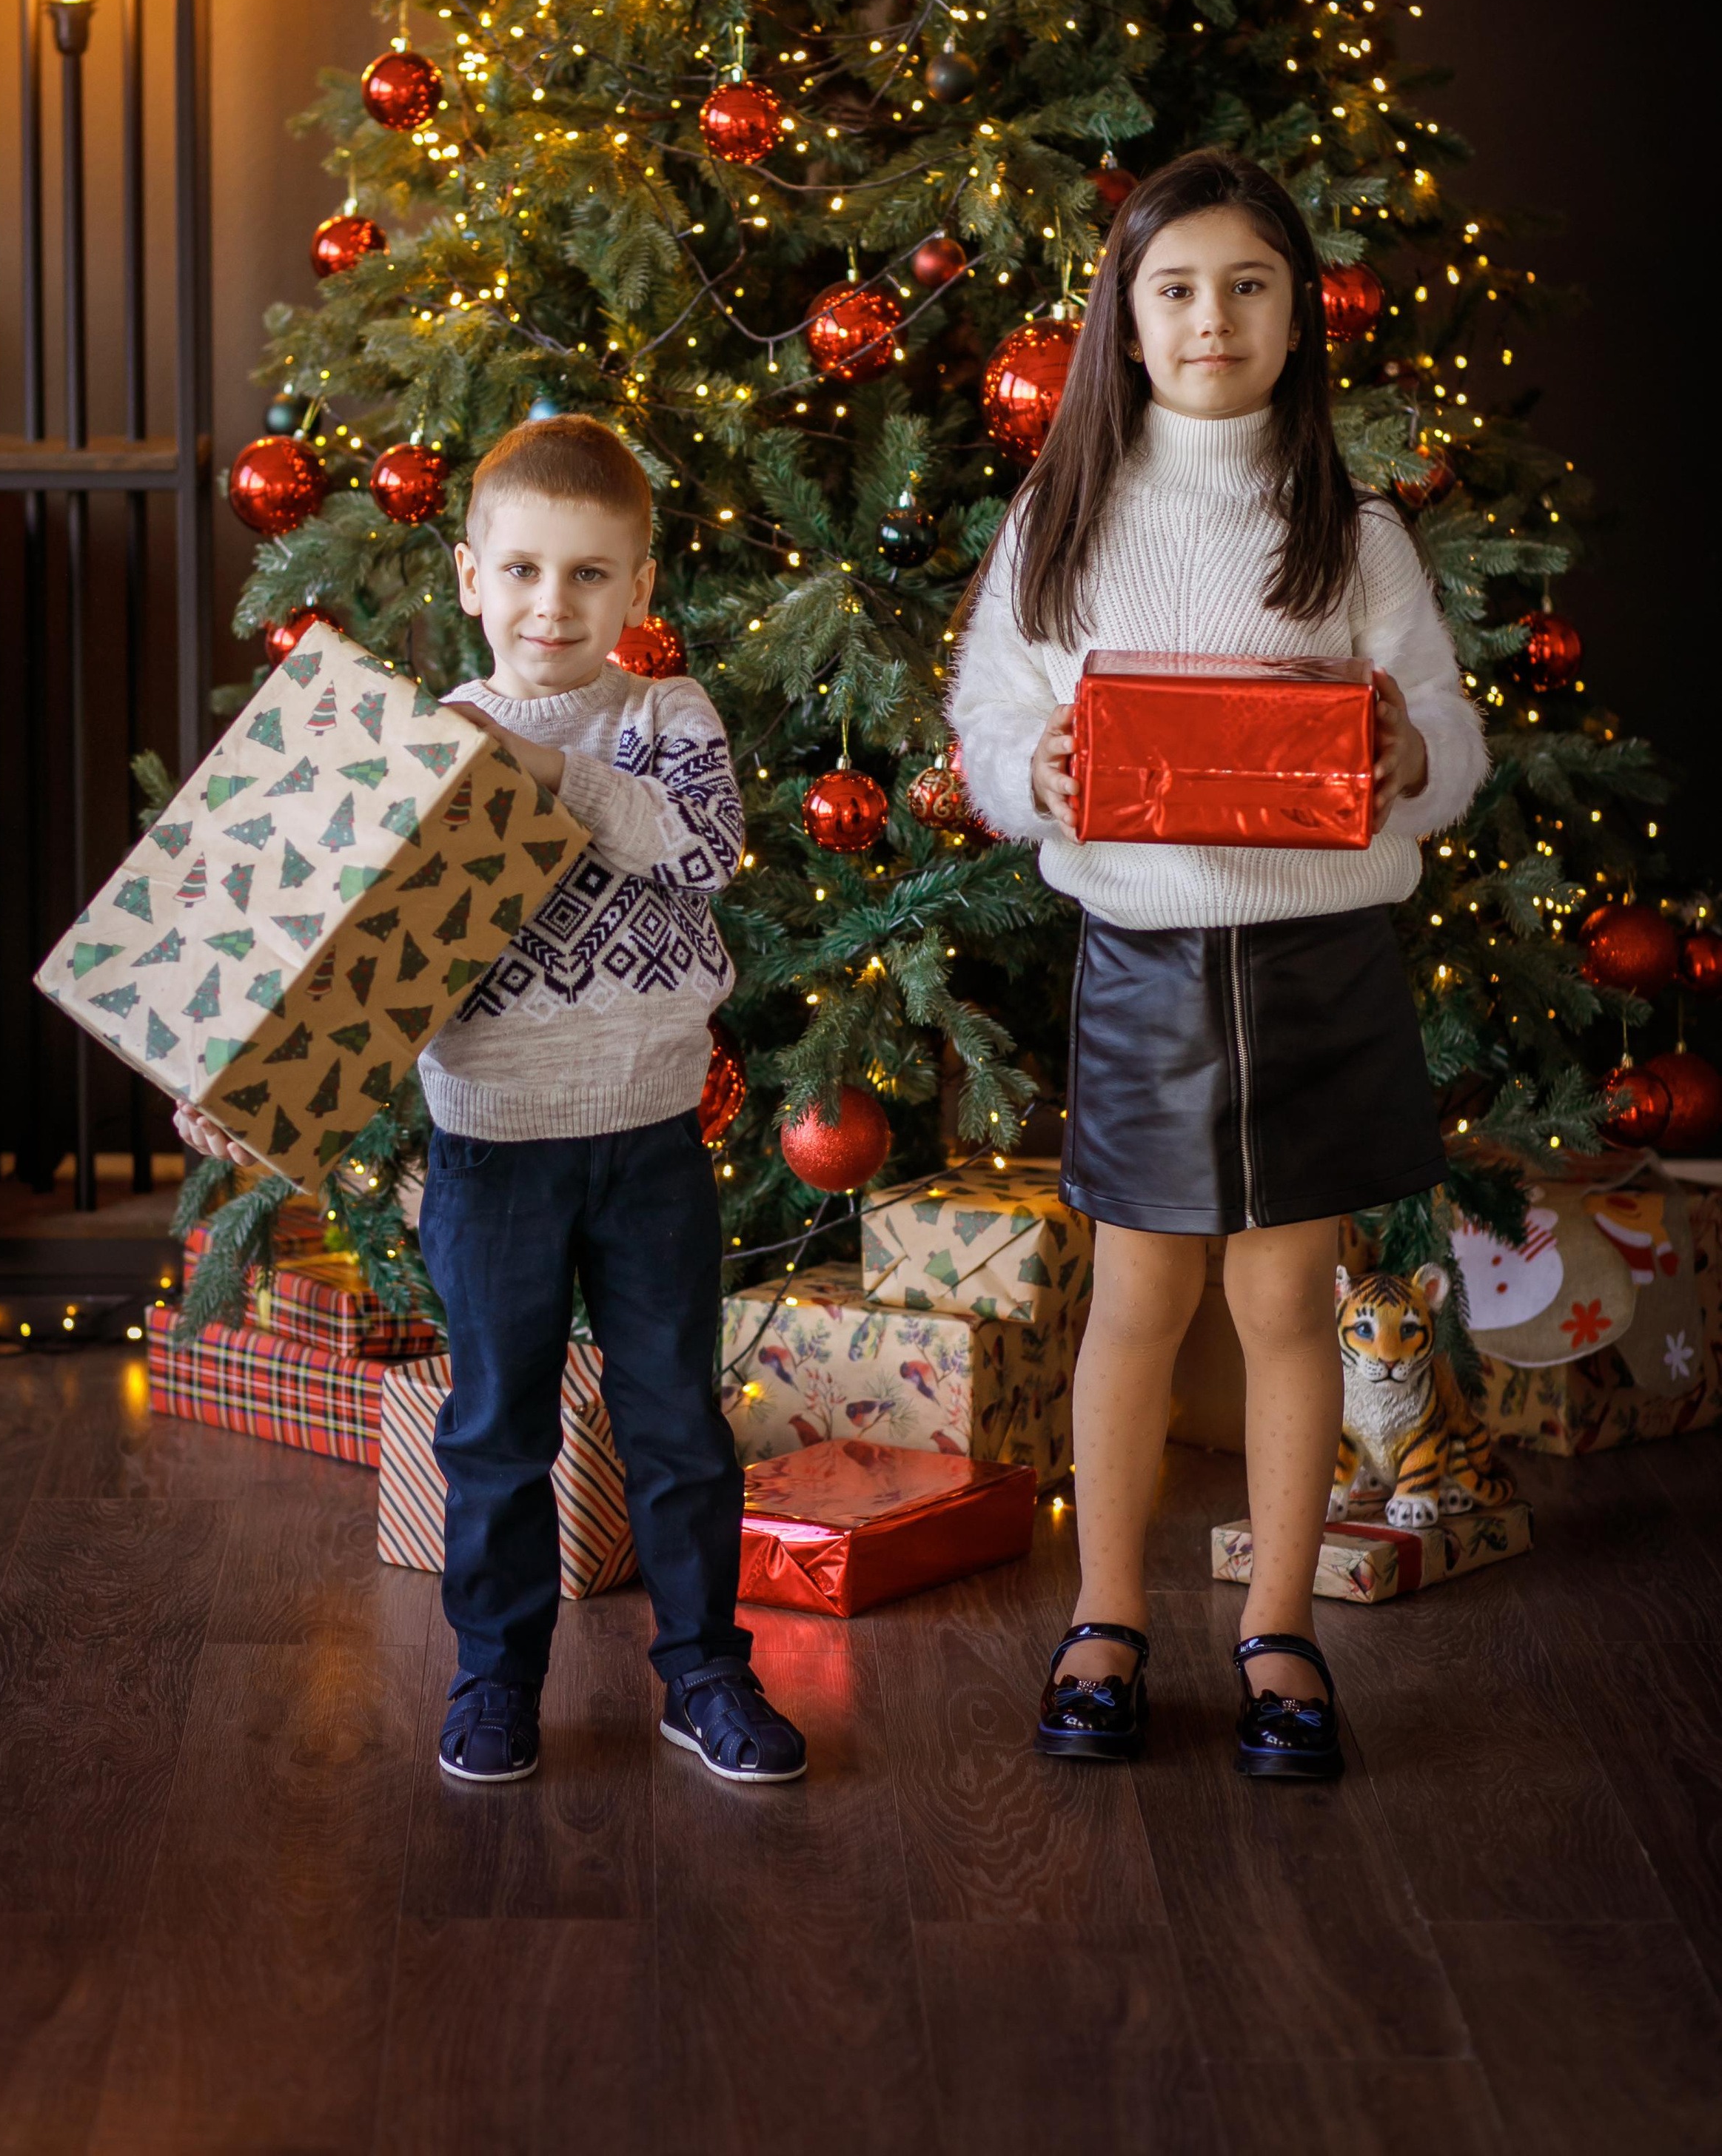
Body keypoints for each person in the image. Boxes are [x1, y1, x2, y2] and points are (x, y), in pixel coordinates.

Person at [948, 150, 1487, 1780]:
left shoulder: (1352, 530)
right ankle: (1102, 1622)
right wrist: (1028, 771)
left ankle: (1277, 1636)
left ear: (1293, 316)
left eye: (1247, 285)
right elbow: (986, 720)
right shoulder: (1061, 518)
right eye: (1173, 288)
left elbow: (1448, 745)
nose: (1210, 318)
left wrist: (1402, 758)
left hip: (1313, 960)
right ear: (1121, 318)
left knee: (1279, 1301)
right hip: (1143, 962)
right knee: (1134, 1295)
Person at [177, 414, 804, 1789]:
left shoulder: (665, 716)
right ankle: (495, 1679)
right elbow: (328, 949)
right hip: (491, 1151)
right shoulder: (430, 743)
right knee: (494, 1429)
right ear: (469, 579)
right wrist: (239, 1090)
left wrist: (555, 774)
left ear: (640, 590)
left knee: (677, 1423)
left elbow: (699, 846)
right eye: (522, 571)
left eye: (590, 575)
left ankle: (704, 1671)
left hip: (649, 1140)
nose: (552, 605)